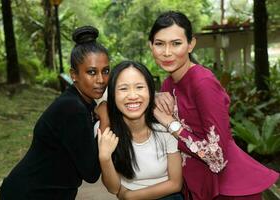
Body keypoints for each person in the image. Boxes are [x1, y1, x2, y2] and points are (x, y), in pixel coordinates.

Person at [149, 11, 279, 200]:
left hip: (230, 189)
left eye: (176, 43)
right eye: (159, 44)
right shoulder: (168, 84)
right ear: (150, 45)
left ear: (191, 44)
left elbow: (217, 157)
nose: (167, 52)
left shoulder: (203, 82)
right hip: (196, 185)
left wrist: (171, 123)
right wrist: (153, 96)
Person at [0, 25, 110, 200]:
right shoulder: (72, 108)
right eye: (91, 72)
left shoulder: (81, 102)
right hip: (31, 194)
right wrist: (105, 118)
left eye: (105, 71)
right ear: (74, 75)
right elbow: (91, 172)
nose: (101, 80)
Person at [97, 60, 183, 200]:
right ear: (113, 95)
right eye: (123, 88)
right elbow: (113, 188)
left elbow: (175, 183)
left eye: (139, 87)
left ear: (150, 92)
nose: (132, 96)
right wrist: (104, 158)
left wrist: (130, 196)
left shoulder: (164, 128)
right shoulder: (107, 131)